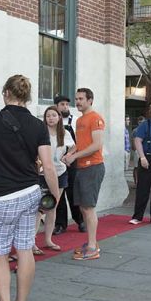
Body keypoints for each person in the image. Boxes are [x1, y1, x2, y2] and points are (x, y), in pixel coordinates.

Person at [0, 75, 60, 301]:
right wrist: (54, 196)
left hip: (1, 196)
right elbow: (49, 167)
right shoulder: (37, 124)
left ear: (6, 94)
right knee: (24, 249)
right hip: (30, 192)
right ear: (27, 95)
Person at [62, 88, 106, 260]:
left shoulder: (95, 118)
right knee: (83, 207)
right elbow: (80, 143)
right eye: (77, 99)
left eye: (81, 99)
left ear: (90, 100)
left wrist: (74, 157)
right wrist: (70, 153)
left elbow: (96, 145)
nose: (78, 102)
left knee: (89, 208)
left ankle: (93, 246)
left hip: (93, 167)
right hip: (82, 167)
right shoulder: (80, 120)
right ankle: (91, 242)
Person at [36, 106, 75, 252]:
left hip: (60, 172)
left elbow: (74, 146)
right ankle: (32, 242)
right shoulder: (41, 133)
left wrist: (67, 156)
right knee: (40, 209)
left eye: (53, 115)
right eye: (48, 116)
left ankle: (48, 239)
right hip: (43, 173)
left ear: (59, 117)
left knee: (52, 207)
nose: (50, 118)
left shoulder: (64, 133)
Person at [52, 94, 86, 234]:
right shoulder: (52, 122)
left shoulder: (76, 121)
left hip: (71, 161)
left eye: (66, 104)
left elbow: (79, 142)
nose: (65, 107)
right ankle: (60, 224)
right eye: (62, 104)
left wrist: (70, 156)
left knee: (73, 192)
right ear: (56, 107)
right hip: (56, 163)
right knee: (58, 194)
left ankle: (80, 220)